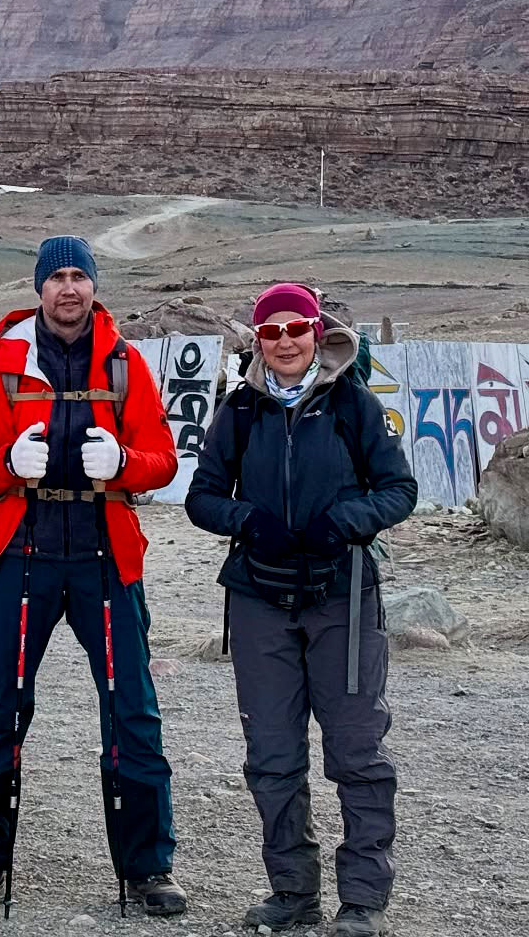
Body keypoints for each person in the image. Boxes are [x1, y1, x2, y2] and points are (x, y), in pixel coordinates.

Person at [0, 235, 186, 915]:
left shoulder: (126, 363)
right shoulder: (4, 363)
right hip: (21, 555)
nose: (69, 289)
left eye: (80, 275)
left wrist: (125, 461)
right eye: (58, 278)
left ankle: (148, 868)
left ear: (94, 285)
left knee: (132, 710)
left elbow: (164, 460)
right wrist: (5, 465)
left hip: (107, 560)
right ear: (39, 288)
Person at [185, 283, 415, 937]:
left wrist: (346, 521)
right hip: (260, 596)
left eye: (296, 329)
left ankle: (363, 901)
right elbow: (203, 497)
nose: (285, 341)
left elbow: (398, 490)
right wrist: (247, 520)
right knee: (272, 754)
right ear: (258, 341)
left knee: (356, 750)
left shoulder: (353, 406)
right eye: (271, 331)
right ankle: (293, 891)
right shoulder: (241, 412)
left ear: (318, 332)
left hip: (341, 598)